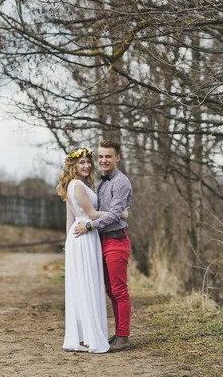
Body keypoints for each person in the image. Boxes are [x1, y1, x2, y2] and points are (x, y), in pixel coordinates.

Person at [74, 140, 133, 352]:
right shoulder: (102, 183)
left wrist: (90, 225)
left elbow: (115, 214)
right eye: (100, 156)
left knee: (119, 290)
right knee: (110, 291)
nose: (103, 160)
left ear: (117, 157)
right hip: (102, 242)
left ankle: (124, 337)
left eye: (108, 156)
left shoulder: (121, 182)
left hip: (116, 241)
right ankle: (118, 333)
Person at [56, 147, 110, 353]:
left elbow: (70, 218)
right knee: (88, 285)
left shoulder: (71, 185)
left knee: (84, 285)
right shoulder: (77, 184)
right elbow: (93, 214)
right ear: (73, 165)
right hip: (85, 235)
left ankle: (85, 336)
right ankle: (92, 337)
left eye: (88, 162)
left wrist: (67, 243)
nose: (86, 165)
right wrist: (118, 213)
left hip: (77, 236)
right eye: (82, 162)